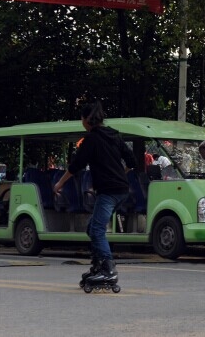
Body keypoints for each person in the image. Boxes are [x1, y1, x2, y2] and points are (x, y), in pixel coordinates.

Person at [54, 101, 135, 290]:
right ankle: (98, 266)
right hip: (122, 189)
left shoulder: (91, 139)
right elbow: (132, 160)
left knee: (97, 229)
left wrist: (59, 183)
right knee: (92, 228)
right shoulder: (114, 135)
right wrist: (120, 174)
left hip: (108, 191)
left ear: (85, 120)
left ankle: (108, 269)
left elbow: (77, 165)